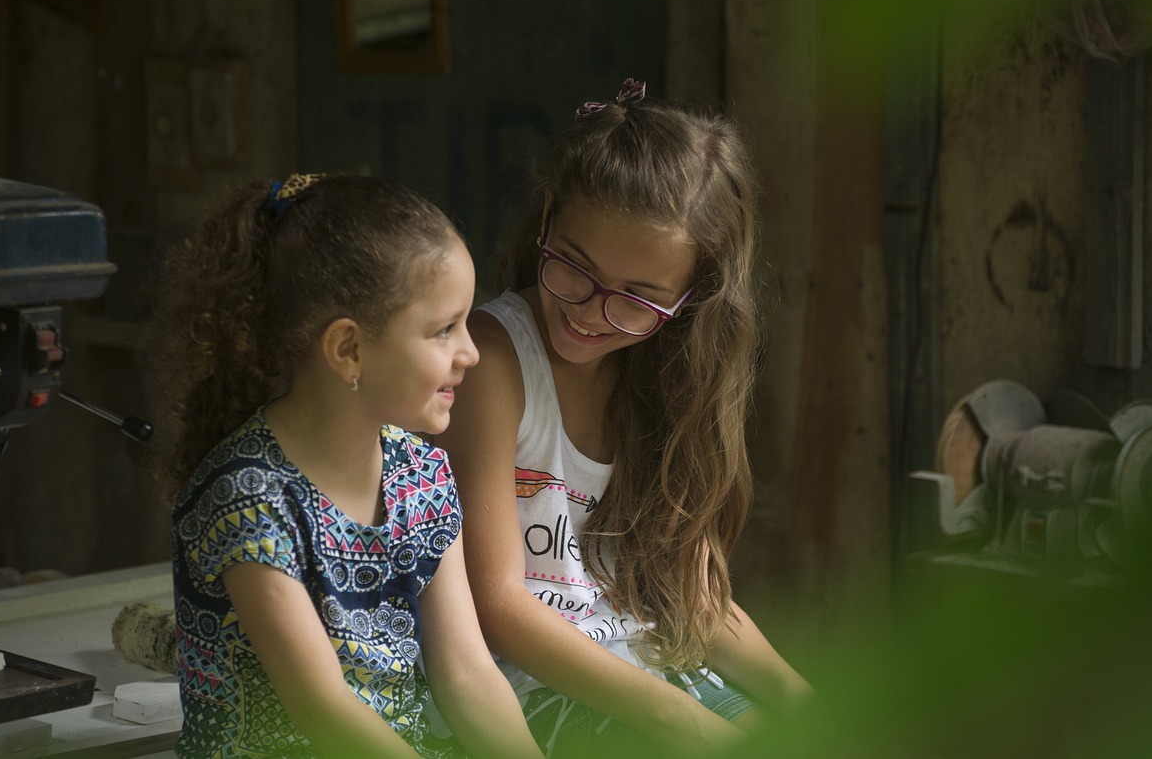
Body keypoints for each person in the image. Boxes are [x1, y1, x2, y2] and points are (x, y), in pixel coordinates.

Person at [435, 80, 813, 758]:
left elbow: (695, 602)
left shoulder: (667, 388)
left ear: (692, 301)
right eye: (574, 269)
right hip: (536, 692)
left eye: (637, 301)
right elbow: (499, 606)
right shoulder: (494, 359)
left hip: (663, 677)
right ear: (547, 219)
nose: (588, 312)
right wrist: (685, 724)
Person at [146, 173, 544, 759]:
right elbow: (320, 705)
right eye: (443, 330)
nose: (471, 352)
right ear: (349, 349)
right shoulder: (249, 498)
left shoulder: (423, 475)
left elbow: (467, 674)